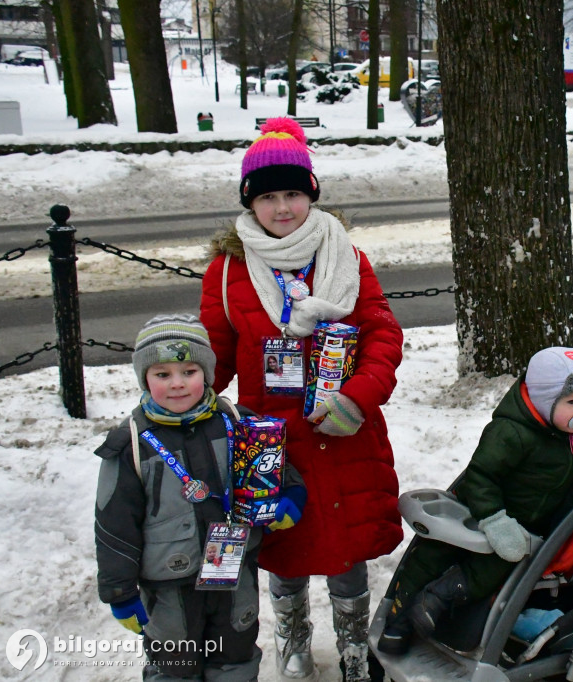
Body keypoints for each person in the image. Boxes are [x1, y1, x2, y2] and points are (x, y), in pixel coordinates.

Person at [200, 117, 405, 681]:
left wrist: (358, 398)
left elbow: (382, 335)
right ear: (250, 202)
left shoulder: (346, 258)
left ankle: (353, 645)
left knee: (346, 552)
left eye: (293, 193)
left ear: (311, 193)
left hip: (342, 432)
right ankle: (292, 638)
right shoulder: (228, 270)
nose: (283, 207)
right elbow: (213, 357)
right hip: (270, 442)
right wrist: (179, 393)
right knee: (282, 551)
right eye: (268, 196)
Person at [376, 347, 573, 655]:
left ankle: (443, 594)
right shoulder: (509, 432)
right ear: (544, 400)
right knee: (433, 553)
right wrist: (494, 519)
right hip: (485, 511)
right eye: (572, 402)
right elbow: (480, 477)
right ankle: (399, 619)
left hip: (524, 526)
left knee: (496, 565)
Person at [94, 314, 307, 681]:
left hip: (233, 576)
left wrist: (290, 495)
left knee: (237, 657)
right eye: (162, 375)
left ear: (206, 373)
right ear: (145, 378)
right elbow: (114, 525)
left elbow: (276, 464)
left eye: (189, 371)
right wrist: (119, 590)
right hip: (168, 589)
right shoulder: (131, 443)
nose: (177, 384)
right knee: (175, 666)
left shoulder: (236, 421)